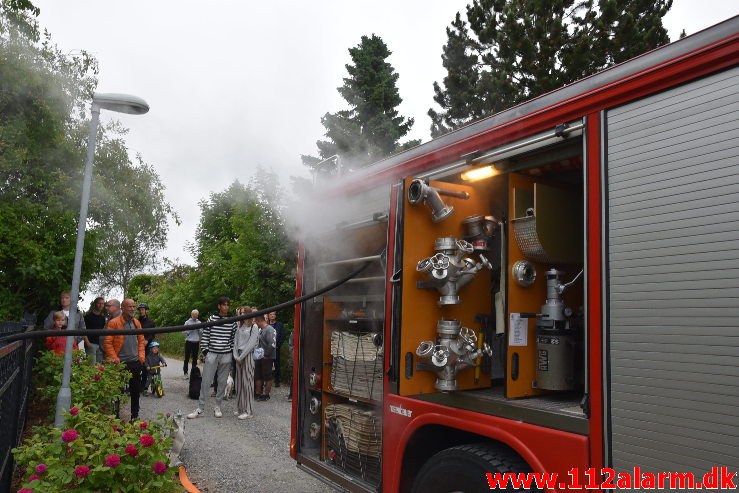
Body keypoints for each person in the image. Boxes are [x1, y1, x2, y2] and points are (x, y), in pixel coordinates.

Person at [187, 296, 236, 419]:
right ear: (219, 306)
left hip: (226, 354)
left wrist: (230, 350)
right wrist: (205, 351)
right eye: (224, 304)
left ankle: (217, 407)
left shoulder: (232, 321)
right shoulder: (211, 319)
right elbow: (205, 335)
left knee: (222, 381)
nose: (226, 307)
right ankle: (200, 408)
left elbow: (233, 337)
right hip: (212, 353)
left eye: (228, 305)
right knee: (206, 381)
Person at [103, 299, 146, 421]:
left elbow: (141, 341)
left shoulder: (137, 323)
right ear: (123, 308)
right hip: (119, 364)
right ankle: (115, 418)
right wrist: (115, 360)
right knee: (117, 392)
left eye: (134, 306)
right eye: (129, 307)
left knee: (135, 392)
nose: (132, 309)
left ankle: (135, 417)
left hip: (135, 363)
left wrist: (141, 357)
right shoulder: (113, 323)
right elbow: (108, 343)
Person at [232, 306, 258, 419]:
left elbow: (252, 343)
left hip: (247, 356)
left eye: (243, 312)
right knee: (239, 383)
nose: (242, 314)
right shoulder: (240, 326)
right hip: (238, 356)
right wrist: (235, 355)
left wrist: (241, 356)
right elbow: (235, 342)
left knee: (247, 383)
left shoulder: (254, 327)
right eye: (240, 312)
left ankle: (248, 411)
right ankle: (240, 408)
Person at [254, 313, 276, 401]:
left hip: (267, 357)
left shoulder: (270, 330)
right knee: (258, 375)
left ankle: (266, 395)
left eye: (256, 322)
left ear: (259, 321)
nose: (255, 323)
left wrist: (267, 355)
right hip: (259, 357)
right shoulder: (260, 329)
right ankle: (258, 393)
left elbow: (272, 344)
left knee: (267, 376)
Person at [83, 297, 106, 363]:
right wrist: (87, 343)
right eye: (99, 303)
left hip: (100, 345)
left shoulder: (102, 318)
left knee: (99, 367)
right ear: (95, 304)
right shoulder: (88, 317)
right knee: (91, 367)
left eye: (102, 303)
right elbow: (83, 330)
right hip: (91, 344)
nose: (101, 305)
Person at [183, 309, 201, 379]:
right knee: (186, 358)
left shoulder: (199, 322)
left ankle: (194, 373)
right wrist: (191, 329)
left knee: (195, 358)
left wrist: (199, 329)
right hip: (189, 342)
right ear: (191, 315)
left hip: (196, 342)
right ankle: (185, 372)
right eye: (194, 315)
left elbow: (201, 333)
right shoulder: (187, 322)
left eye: (196, 315)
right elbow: (184, 332)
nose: (195, 316)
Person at [268, 311, 285, 387]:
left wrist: (278, 345)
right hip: (267, 349)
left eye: (273, 314)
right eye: (270, 314)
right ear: (268, 316)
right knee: (267, 365)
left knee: (277, 365)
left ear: (275, 316)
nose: (272, 316)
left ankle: (277, 381)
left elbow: (282, 335)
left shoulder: (279, 325)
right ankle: (267, 381)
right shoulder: (266, 325)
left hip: (276, 348)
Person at [287, 330, 294, 401]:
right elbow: (290, 346)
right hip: (294, 357)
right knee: (294, 377)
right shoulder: (293, 332)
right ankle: (291, 394)